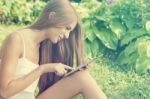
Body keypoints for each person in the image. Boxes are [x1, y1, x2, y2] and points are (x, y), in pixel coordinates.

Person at [0, 0, 108, 99]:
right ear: (52, 16)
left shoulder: (44, 46)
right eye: (67, 28)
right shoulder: (16, 39)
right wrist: (42, 69)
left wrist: (72, 72)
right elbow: (4, 92)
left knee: (82, 77)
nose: (67, 35)